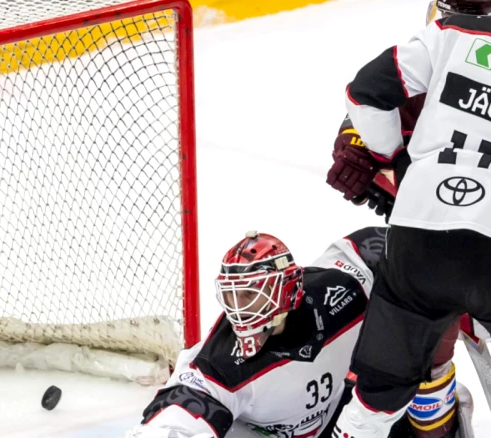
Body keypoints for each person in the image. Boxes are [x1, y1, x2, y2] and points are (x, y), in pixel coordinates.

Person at [125, 228, 470, 438]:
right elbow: (180, 412)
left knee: (428, 340)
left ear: (286, 290)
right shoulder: (219, 365)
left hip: (344, 411)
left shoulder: (342, 289)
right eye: (231, 294)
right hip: (274, 434)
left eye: (249, 293)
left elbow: (371, 246)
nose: (238, 307)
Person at [326, 1, 491, 436]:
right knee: (432, 365)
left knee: (379, 395)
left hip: (420, 239)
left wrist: (395, 164)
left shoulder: (444, 39)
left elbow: (365, 94)